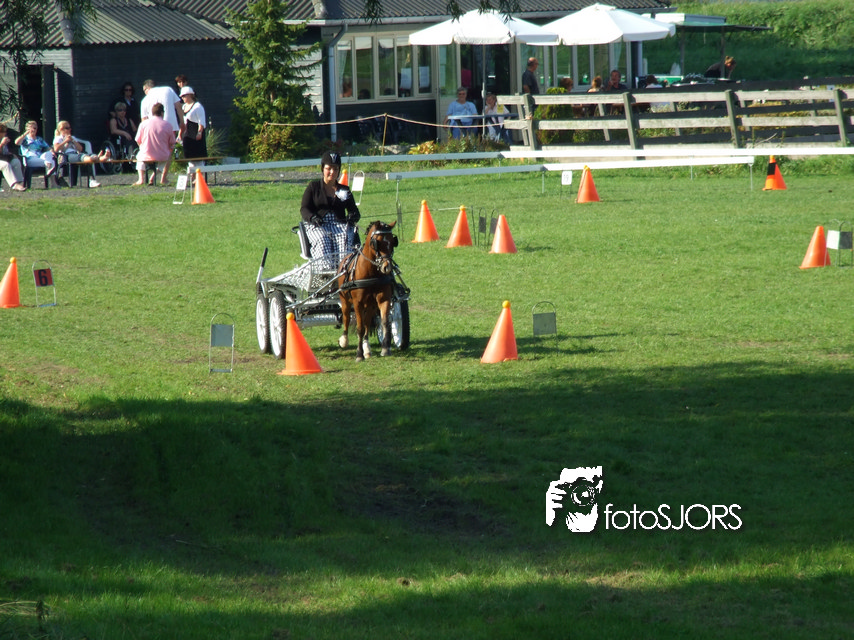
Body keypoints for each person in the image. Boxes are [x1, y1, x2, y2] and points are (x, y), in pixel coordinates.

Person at [299, 151, 360, 270]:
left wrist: (352, 216)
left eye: (335, 169)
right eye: (329, 168)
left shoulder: (344, 190)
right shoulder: (313, 187)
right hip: (318, 225)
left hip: (339, 225)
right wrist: (312, 217)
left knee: (345, 239)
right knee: (323, 240)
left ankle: (344, 270)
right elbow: (304, 208)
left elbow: (354, 211)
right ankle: (324, 272)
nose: (332, 172)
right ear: (323, 168)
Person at [140, 80, 184, 184]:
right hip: (170, 125)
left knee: (152, 150)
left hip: (152, 128)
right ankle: (163, 178)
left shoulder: (145, 100)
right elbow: (178, 106)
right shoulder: (168, 90)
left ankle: (147, 177)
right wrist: (182, 122)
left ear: (147, 88)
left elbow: (144, 120)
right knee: (168, 151)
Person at [52, 121, 109, 188]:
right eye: (67, 128)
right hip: (66, 155)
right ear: (62, 129)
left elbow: (80, 149)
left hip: (76, 153)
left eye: (70, 128)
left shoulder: (73, 137)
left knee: (86, 155)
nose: (70, 129)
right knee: (81, 157)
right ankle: (97, 158)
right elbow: (56, 149)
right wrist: (65, 141)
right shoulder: (58, 138)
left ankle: (95, 161)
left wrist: (73, 141)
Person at [133, 102, 176, 186]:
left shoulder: (143, 124)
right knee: (167, 157)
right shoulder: (168, 125)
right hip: (162, 155)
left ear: (152, 113)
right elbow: (172, 142)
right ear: (162, 113)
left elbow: (138, 140)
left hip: (146, 154)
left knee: (139, 156)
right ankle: (156, 177)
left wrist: (142, 147)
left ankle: (141, 179)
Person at [179, 86, 207, 171]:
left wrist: (199, 132)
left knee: (198, 158)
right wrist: (180, 134)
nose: (182, 98)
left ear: (190, 95)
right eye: (182, 96)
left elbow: (201, 121)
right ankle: (192, 175)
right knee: (190, 158)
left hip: (196, 133)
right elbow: (183, 122)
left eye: (184, 96)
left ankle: (200, 176)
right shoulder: (183, 107)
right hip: (187, 135)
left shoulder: (197, 106)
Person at [0, 123, 27, 191]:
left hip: (3, 158)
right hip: (1, 161)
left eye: (5, 131)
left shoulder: (3, 138)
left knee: (16, 161)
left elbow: (4, 152)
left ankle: (19, 182)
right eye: (3, 132)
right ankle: (14, 185)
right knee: (5, 165)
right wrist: (2, 144)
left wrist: (11, 154)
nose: (5, 133)